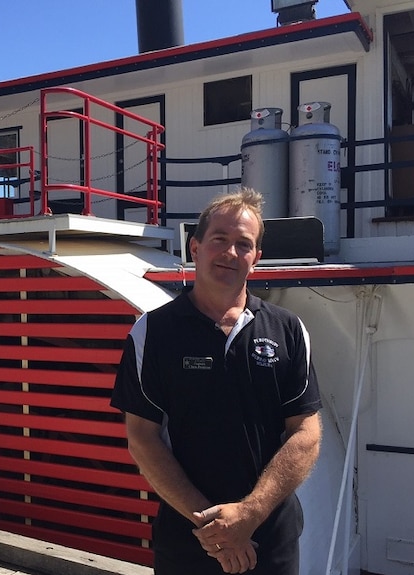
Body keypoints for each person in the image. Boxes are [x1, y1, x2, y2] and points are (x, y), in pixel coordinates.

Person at [111, 188, 322, 575]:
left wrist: (249, 515)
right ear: (195, 247)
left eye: (244, 244)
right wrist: (215, 527)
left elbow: (306, 434)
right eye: (219, 240)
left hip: (270, 539)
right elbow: (142, 437)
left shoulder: (289, 330)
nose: (230, 253)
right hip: (190, 540)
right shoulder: (152, 332)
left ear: (256, 259)